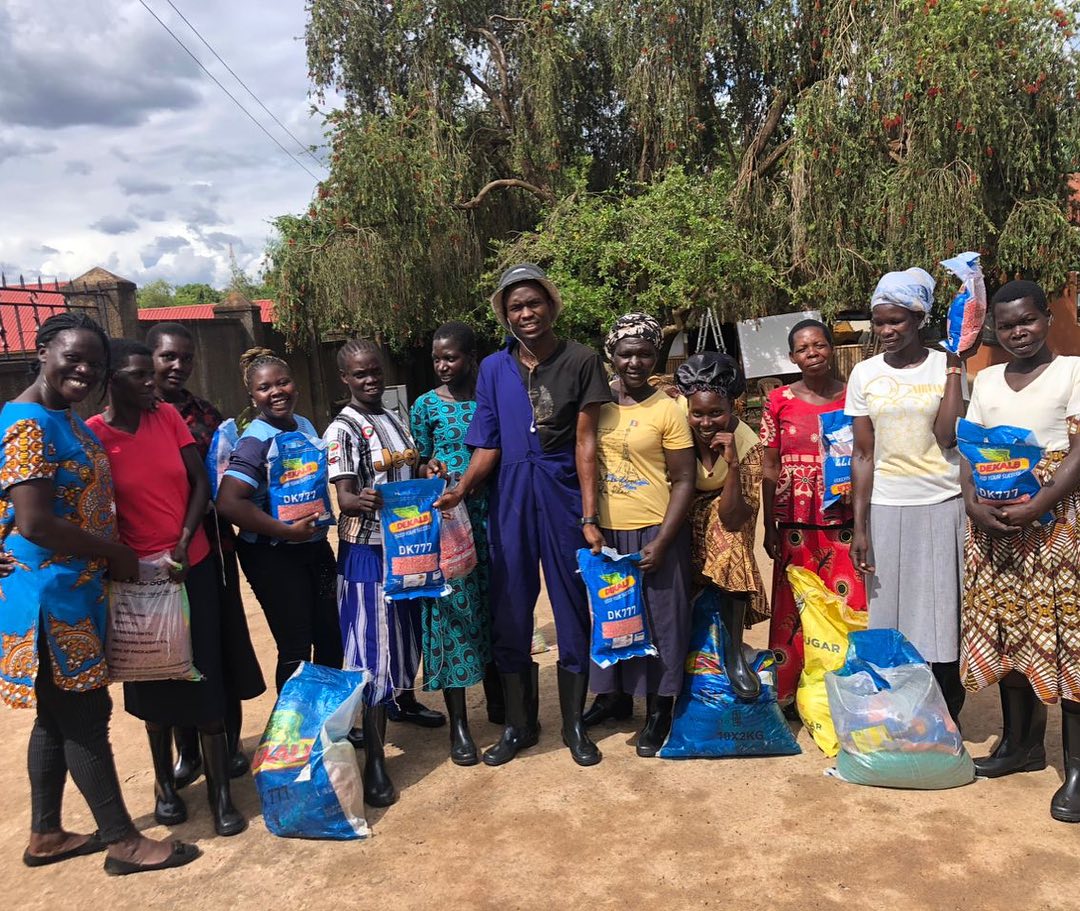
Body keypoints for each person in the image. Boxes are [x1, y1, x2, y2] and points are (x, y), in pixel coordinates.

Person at [0, 313, 198, 874]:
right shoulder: (27, 422)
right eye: (73, 357)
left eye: (96, 364)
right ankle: (123, 841)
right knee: (86, 717)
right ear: (42, 350)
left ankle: (45, 834)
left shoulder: (60, 418)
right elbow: (34, 522)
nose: (84, 371)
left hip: (70, 592)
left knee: (54, 718)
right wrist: (115, 554)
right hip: (51, 600)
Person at [436, 263, 612, 767]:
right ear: (505, 315)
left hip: (559, 491)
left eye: (534, 302)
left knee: (572, 606)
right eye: (515, 306)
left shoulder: (581, 360)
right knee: (511, 607)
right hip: (510, 491)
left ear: (551, 306)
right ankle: (520, 724)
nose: (526, 312)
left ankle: (575, 725)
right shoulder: (493, 368)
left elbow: (585, 441)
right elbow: (488, 442)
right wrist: (462, 489)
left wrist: (588, 514)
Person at [87, 339, 246, 837]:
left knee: (205, 677)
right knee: (152, 684)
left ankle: (221, 795)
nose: (151, 383)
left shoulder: (168, 419)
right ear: (112, 380)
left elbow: (200, 483)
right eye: (138, 375)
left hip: (190, 566)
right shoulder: (93, 436)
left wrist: (183, 538)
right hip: (136, 581)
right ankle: (164, 786)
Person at [959, 280, 1080, 822]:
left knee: (1068, 636)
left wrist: (1041, 505)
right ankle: (1020, 745)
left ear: (1046, 319)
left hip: (1056, 523)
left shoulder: (1073, 372)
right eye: (1006, 326)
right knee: (1008, 627)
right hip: (994, 519)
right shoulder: (985, 380)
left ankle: (1077, 769)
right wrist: (970, 501)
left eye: (1027, 321)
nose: (1018, 332)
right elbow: (969, 448)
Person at [323, 338, 445, 805]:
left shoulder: (393, 417)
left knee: (404, 634)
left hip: (405, 545)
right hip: (367, 552)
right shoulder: (343, 429)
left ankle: (403, 701)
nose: (369, 379)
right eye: (359, 374)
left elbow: (409, 468)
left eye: (375, 371)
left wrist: (427, 466)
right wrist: (361, 499)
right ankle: (374, 758)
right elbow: (346, 496)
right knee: (371, 651)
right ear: (345, 380)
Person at [145, 321, 265, 790]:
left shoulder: (208, 417)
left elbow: (226, 480)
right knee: (173, 651)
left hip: (214, 551)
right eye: (168, 357)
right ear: (150, 359)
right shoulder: (136, 415)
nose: (178, 366)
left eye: (186, 358)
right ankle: (187, 751)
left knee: (219, 647)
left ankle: (229, 742)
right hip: (159, 559)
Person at [847, 268, 971, 723]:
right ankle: (899, 710)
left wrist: (956, 367)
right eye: (879, 322)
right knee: (890, 614)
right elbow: (863, 455)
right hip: (886, 506)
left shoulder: (946, 366)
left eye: (896, 321)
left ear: (919, 319)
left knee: (942, 612)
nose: (886, 331)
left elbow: (947, 437)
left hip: (942, 504)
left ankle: (945, 711)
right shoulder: (864, 374)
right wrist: (860, 527)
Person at [581, 314, 696, 756]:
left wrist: (664, 540)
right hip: (607, 532)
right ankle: (614, 699)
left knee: (662, 623)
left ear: (656, 356)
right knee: (615, 617)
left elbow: (683, 479)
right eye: (626, 352)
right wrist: (589, 519)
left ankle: (658, 711)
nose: (635, 361)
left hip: (654, 529)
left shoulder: (668, 408)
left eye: (645, 352)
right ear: (611, 354)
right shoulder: (597, 403)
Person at [215, 348, 343, 692]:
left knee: (332, 637)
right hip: (272, 555)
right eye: (264, 387)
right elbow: (228, 502)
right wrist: (285, 531)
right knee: (296, 649)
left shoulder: (302, 424)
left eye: (283, 382)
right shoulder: (255, 441)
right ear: (253, 397)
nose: (276, 392)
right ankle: (294, 740)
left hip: (313, 548)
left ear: (295, 385)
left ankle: (329, 726)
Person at [760, 319, 867, 708]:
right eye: (803, 349)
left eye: (819, 345)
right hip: (794, 523)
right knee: (794, 607)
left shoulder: (853, 397)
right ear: (793, 357)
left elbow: (865, 456)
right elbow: (770, 466)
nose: (812, 354)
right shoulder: (778, 400)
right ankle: (788, 695)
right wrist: (769, 525)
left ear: (831, 348)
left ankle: (847, 695)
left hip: (843, 518)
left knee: (847, 604)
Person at [409, 323, 498, 765]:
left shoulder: (492, 397)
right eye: (437, 359)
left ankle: (501, 704)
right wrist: (429, 468)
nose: (444, 367)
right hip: (449, 526)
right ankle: (461, 725)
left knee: (497, 610)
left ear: (471, 357)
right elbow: (418, 459)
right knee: (451, 616)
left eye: (452, 358)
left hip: (493, 520)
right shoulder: (425, 405)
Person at [675, 353, 768, 699]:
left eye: (717, 412)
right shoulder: (676, 429)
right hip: (681, 504)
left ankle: (733, 657)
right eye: (697, 413)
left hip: (730, 508)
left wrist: (730, 463)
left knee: (731, 545)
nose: (706, 422)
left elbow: (734, 515)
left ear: (734, 408)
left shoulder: (746, 444)